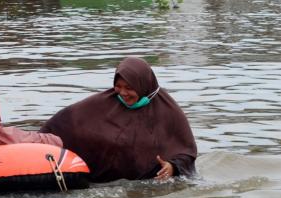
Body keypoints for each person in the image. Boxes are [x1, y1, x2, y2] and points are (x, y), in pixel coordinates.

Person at [40, 57, 197, 182]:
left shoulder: (169, 112)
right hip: (102, 182)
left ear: (143, 85)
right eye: (118, 86)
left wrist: (172, 167)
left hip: (143, 186)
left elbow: (186, 152)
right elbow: (64, 124)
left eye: (129, 88)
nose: (122, 93)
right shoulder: (104, 102)